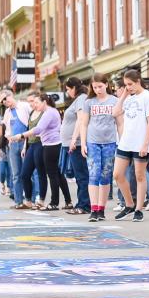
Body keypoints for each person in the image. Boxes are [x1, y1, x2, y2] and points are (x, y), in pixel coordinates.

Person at [75, 73, 120, 221]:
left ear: (106, 85)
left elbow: (120, 123)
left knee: (105, 176)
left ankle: (101, 209)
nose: (98, 89)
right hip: (92, 142)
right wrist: (83, 143)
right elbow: (84, 123)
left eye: (100, 86)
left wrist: (122, 141)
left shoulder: (115, 101)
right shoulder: (89, 102)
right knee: (93, 175)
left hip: (110, 142)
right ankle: (94, 209)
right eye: (95, 87)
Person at [112, 69, 149, 222]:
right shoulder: (128, 98)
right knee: (117, 174)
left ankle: (138, 209)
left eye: (130, 84)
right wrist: (124, 95)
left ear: (138, 81)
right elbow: (115, 112)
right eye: (125, 85)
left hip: (140, 142)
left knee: (139, 175)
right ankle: (129, 204)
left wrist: (145, 144)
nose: (128, 87)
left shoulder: (147, 97)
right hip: (126, 141)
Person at [27, 92, 69, 209]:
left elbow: (39, 129)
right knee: (58, 174)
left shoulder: (48, 113)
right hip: (53, 144)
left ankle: (54, 203)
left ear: (44, 102)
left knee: (52, 174)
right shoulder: (51, 112)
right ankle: (68, 201)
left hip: (51, 145)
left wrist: (22, 135)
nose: (35, 105)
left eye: (37, 102)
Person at [60, 77, 91, 214]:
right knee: (79, 175)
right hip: (73, 144)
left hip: (77, 144)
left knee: (82, 175)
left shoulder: (81, 98)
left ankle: (84, 205)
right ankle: (82, 203)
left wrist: (74, 139)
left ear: (73, 87)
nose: (67, 92)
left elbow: (81, 119)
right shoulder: (79, 99)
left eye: (68, 89)